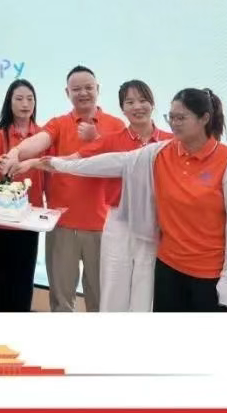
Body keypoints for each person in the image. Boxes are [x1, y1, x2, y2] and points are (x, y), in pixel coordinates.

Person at [37, 88, 227, 312]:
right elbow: (114, 162)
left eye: (181, 118)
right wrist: (60, 164)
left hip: (212, 274)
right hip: (169, 268)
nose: (174, 124)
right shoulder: (160, 152)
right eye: (171, 117)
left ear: (204, 118)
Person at [22, 80, 171, 312]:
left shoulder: (170, 142)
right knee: (112, 292)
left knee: (145, 292)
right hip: (118, 222)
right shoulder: (111, 140)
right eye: (130, 102)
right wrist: (33, 162)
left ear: (152, 104)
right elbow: (75, 162)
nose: (137, 107)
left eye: (143, 101)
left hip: (154, 224)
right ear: (123, 108)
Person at [0, 66, 125, 312]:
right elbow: (39, 141)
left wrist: (96, 138)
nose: (83, 93)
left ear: (98, 89)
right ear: (67, 93)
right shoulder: (59, 123)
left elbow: (120, 163)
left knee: (102, 301)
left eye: (88, 88)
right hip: (62, 225)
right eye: (76, 89)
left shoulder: (116, 125)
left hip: (103, 227)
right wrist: (16, 152)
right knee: (61, 301)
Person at [0, 79, 44, 312]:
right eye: (19, 99)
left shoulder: (42, 135)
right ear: (9, 102)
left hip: (29, 217)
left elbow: (49, 168)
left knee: (22, 278)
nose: (25, 104)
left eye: (30, 99)